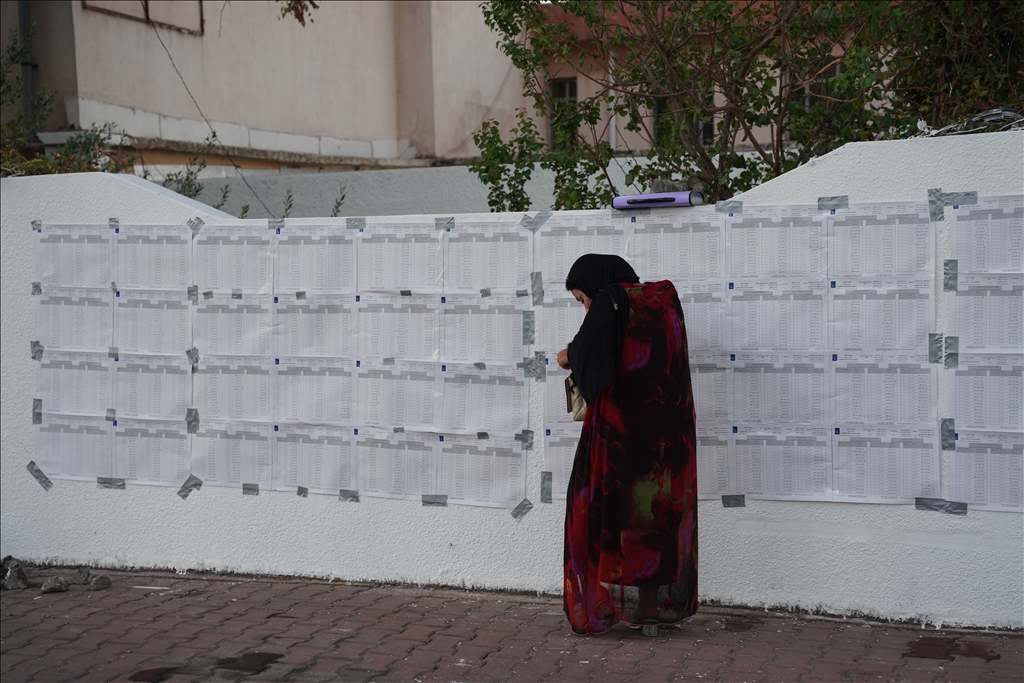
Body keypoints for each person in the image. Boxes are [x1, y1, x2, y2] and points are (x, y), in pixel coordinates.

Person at [555, 253, 698, 635]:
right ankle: (649, 608)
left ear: (595, 285)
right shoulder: (662, 297)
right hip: (669, 435)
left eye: (580, 299)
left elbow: (586, 348)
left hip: (620, 432)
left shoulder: (610, 298)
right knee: (653, 518)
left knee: (592, 506)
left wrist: (566, 355)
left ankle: (599, 602)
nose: (585, 306)